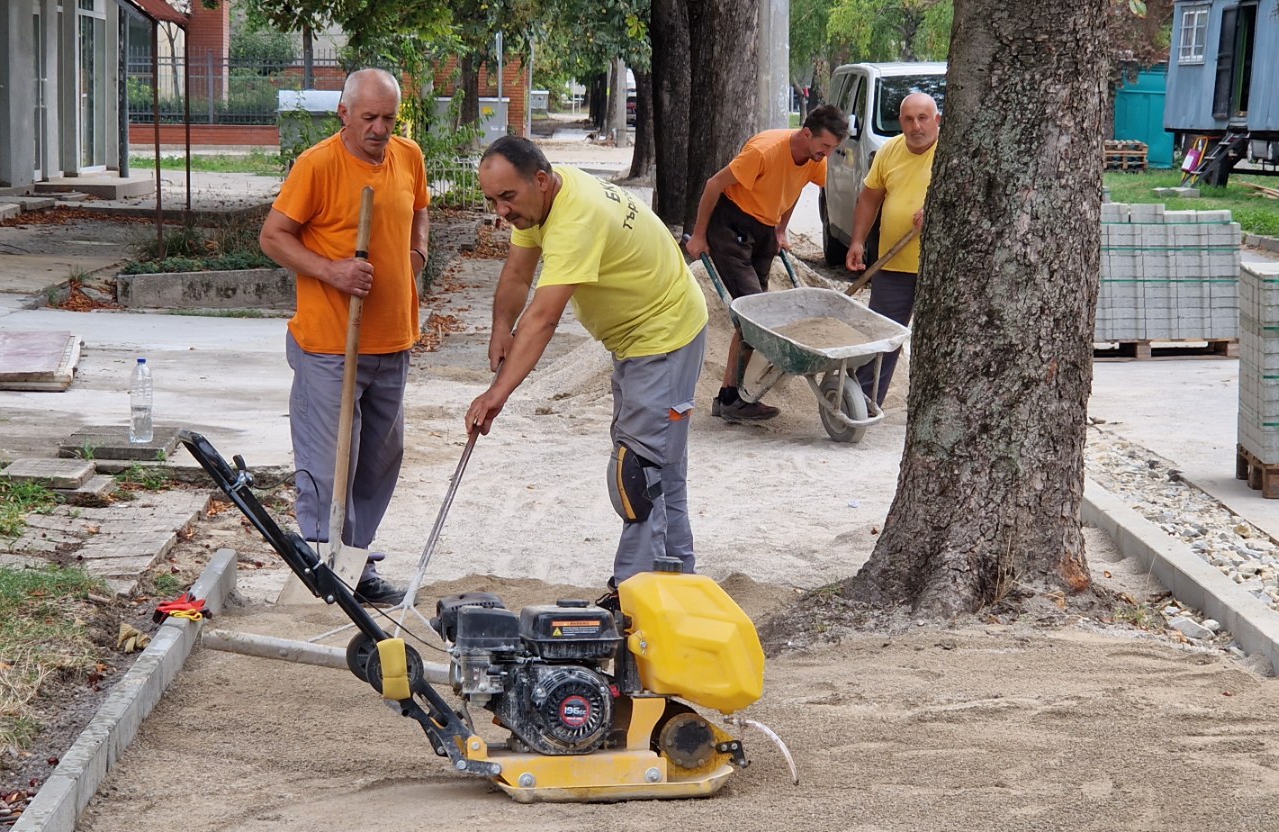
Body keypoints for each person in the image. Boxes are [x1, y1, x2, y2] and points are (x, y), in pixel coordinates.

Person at [465, 136, 708, 584]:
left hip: (663, 334)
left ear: (540, 180)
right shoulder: (540, 202)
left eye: (507, 197)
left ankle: (636, 589)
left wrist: (497, 394)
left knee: (638, 470)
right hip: (641, 337)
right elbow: (518, 273)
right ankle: (676, 580)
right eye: (492, 200)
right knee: (659, 466)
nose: (501, 211)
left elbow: (543, 317)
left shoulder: (576, 218)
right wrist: (501, 327)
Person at [258, 69, 429, 604]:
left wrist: (417, 253)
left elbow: (420, 209)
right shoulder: (318, 165)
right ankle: (323, 564)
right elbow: (273, 237)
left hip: (393, 338)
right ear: (344, 113)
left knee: (379, 460)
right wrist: (332, 271)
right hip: (330, 343)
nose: (379, 129)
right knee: (332, 461)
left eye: (388, 118)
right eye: (369, 117)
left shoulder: (409, 156)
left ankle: (356, 561)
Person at [684, 104, 848, 422]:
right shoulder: (764, 151)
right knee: (756, 314)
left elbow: (796, 187)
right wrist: (699, 235)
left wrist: (781, 229)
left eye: (833, 148)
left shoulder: (815, 159)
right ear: (806, 133)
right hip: (731, 227)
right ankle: (732, 399)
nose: (827, 154)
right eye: (825, 145)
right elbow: (714, 185)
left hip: (764, 231)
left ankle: (729, 397)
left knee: (754, 317)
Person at [843, 92, 939, 406]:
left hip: (939, 271)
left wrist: (939, 208)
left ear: (937, 120)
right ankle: (863, 404)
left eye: (923, 118)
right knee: (880, 338)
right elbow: (870, 198)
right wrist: (858, 241)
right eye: (909, 119)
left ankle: (930, 408)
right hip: (893, 266)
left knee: (937, 342)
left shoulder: (951, 152)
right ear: (901, 122)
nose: (916, 126)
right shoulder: (890, 150)